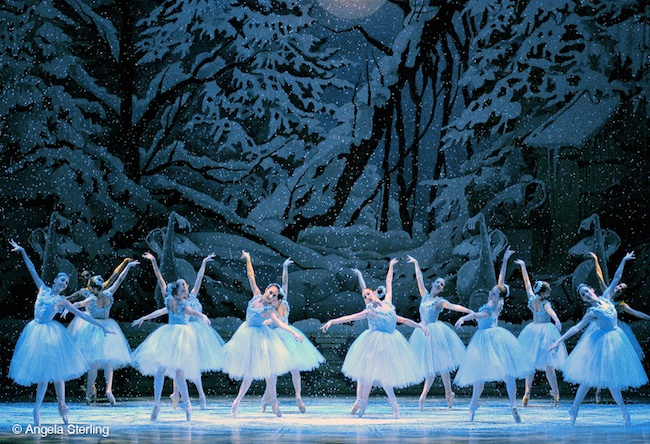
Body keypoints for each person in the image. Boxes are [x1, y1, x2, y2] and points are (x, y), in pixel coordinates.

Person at [8, 240, 113, 426]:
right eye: (63, 281)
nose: (65, 284)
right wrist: (23, 250)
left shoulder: (62, 300)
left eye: (67, 283)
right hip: (36, 333)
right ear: (55, 280)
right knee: (47, 376)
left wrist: (102, 326)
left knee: (56, 374)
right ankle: (41, 409)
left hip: (50, 336)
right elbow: (32, 269)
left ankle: (60, 406)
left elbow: (81, 313)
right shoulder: (42, 289)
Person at [321, 259, 427, 418]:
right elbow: (351, 317)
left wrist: (420, 326)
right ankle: (360, 402)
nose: (367, 298)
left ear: (375, 293)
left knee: (384, 376)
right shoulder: (369, 311)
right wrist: (332, 321)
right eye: (364, 297)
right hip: (373, 343)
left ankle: (393, 405)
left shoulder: (388, 304)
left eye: (368, 294)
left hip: (391, 342)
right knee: (365, 375)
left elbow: (401, 314)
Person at [550, 276, 647, 427]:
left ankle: (623, 411)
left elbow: (616, 278)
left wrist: (625, 259)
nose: (586, 294)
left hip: (615, 341)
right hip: (600, 343)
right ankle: (576, 408)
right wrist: (558, 341)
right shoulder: (591, 312)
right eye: (583, 295)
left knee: (610, 379)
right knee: (589, 379)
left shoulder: (607, 299)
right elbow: (577, 328)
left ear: (592, 290)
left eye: (587, 291)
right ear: (583, 299)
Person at [454, 248, 533, 423]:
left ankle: (486, 406)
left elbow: (480, 316)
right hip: (492, 338)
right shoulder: (496, 299)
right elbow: (501, 281)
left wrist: (466, 317)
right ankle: (482, 405)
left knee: (490, 375)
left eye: (494, 293)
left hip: (487, 338)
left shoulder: (494, 306)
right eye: (492, 291)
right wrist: (504, 260)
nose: (491, 292)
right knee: (497, 374)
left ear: (499, 296)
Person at [221, 251, 303, 418]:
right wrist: (248, 258)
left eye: (274, 294)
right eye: (270, 292)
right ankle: (237, 401)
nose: (271, 295)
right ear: (266, 290)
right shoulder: (256, 296)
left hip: (262, 337)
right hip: (246, 335)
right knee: (249, 374)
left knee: (269, 372)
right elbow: (251, 276)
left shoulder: (270, 310)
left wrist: (293, 332)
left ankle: (274, 403)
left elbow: (279, 323)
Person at [131, 253, 212, 421]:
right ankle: (157, 404)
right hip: (169, 335)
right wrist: (144, 318)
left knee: (180, 373)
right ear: (176, 292)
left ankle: (188, 405)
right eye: (182, 289)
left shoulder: (184, 304)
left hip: (183, 337)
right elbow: (160, 311)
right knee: (161, 370)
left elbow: (192, 311)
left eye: (185, 288)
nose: (185, 290)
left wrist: (203, 316)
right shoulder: (170, 301)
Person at [148, 253, 225, 411]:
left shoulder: (193, 297)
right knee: (179, 365)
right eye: (181, 285)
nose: (184, 287)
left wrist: (203, 262)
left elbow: (199, 278)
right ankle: (177, 395)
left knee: (189, 367)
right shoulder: (176, 302)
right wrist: (154, 262)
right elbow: (160, 282)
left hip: (198, 333)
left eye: (184, 285)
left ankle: (199, 395)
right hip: (185, 332)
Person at [67, 259, 139, 406]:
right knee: (108, 361)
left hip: (94, 328)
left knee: (94, 362)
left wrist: (68, 306)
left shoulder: (92, 298)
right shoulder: (108, 293)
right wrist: (129, 266)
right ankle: (107, 389)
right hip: (106, 327)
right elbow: (119, 279)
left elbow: (77, 304)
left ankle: (90, 393)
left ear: (93, 288)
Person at [406, 255, 472, 409]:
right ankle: (435, 394)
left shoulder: (439, 302)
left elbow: (455, 307)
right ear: (433, 284)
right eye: (437, 282)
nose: (439, 285)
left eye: (441, 284)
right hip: (423, 332)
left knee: (442, 364)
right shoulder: (424, 296)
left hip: (435, 332)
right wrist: (416, 263)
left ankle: (443, 393)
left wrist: (470, 313)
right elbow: (419, 279)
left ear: (442, 289)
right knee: (431, 366)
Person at [261, 258, 325, 413]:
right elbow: (284, 286)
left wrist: (284, 268)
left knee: (286, 370)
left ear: (277, 298)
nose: (272, 297)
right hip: (282, 337)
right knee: (278, 371)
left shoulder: (279, 305)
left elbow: (285, 284)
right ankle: (268, 399)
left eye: (275, 296)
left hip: (284, 337)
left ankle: (297, 397)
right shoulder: (274, 307)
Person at [514, 259, 566, 407]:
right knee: (549, 366)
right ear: (543, 292)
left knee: (531, 364)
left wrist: (523, 266)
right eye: (548, 290)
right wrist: (557, 320)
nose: (550, 291)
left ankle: (527, 391)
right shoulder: (545, 303)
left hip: (533, 330)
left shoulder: (532, 300)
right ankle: (555, 393)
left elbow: (527, 284)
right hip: (545, 332)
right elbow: (551, 312)